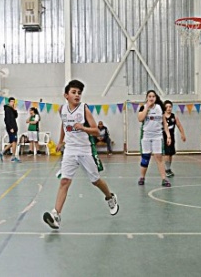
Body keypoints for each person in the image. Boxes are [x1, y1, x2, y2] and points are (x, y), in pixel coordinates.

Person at [43, 80, 119, 230]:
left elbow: (97, 131)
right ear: (66, 95)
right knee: (64, 181)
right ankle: (56, 214)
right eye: (74, 92)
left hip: (85, 149)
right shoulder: (62, 110)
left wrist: (83, 128)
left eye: (79, 93)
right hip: (70, 150)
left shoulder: (84, 109)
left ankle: (110, 197)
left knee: (95, 180)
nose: (77, 95)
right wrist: (60, 141)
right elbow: (64, 125)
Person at [137, 90, 172, 187]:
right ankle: (142, 177)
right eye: (149, 96)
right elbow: (140, 119)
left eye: (153, 96)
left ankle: (164, 178)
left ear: (156, 98)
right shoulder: (143, 107)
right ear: (147, 98)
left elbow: (164, 123)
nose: (151, 98)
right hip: (146, 136)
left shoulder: (160, 108)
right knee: (145, 158)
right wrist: (147, 108)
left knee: (159, 157)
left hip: (157, 135)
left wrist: (168, 135)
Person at [162, 100, 187, 177]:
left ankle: (169, 168)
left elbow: (179, 126)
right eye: (167, 107)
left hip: (172, 137)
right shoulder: (162, 117)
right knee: (166, 153)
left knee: (171, 153)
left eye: (170, 107)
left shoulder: (174, 116)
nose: (169, 108)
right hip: (164, 138)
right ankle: (166, 169)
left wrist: (183, 134)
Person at [3, 97, 21, 162]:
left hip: (14, 127)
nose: (13, 103)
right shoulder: (7, 109)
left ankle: (2, 152)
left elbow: (16, 116)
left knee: (14, 142)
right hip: (11, 128)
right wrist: (10, 128)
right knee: (14, 141)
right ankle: (13, 156)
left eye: (13, 102)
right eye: (11, 101)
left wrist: (14, 109)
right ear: (9, 102)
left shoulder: (12, 109)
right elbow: (7, 120)